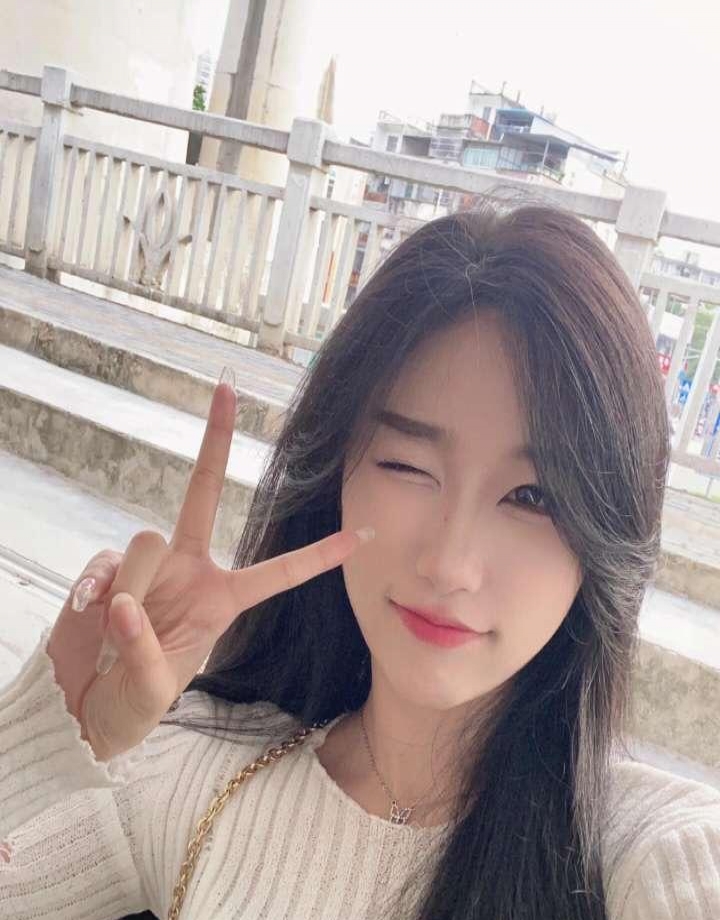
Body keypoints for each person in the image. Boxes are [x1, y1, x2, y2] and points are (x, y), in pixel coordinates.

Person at [1, 199, 719, 920]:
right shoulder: (196, 772)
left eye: (533, 497)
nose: (449, 564)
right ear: (337, 473)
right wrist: (53, 732)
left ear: (606, 534)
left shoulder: (643, 856)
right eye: (407, 465)